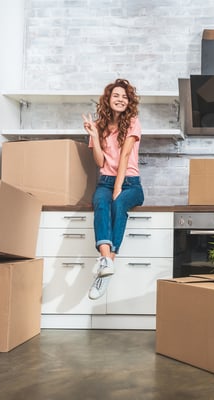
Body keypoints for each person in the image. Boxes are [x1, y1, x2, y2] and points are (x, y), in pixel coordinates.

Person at [82, 78, 144, 300]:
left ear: (129, 102)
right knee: (100, 202)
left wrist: (118, 187)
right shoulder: (99, 126)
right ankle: (106, 262)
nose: (120, 99)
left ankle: (106, 268)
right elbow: (99, 162)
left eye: (125, 97)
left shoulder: (133, 122)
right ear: (108, 99)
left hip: (131, 183)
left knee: (117, 203)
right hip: (105, 180)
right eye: (116, 95)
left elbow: (126, 155)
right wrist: (94, 137)